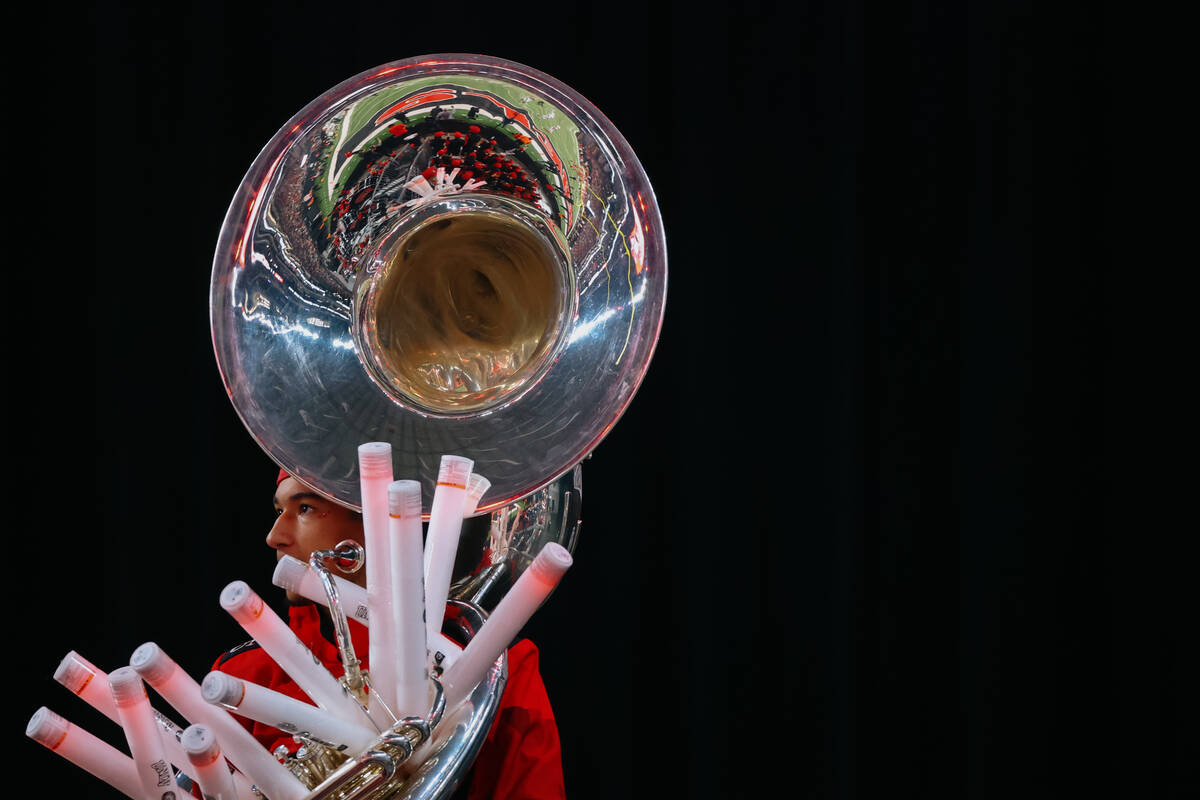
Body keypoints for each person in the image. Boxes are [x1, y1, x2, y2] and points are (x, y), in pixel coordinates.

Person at [212, 468, 566, 800]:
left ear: (374, 524)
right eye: (279, 510)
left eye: (305, 508)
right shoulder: (244, 674)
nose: (275, 536)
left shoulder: (494, 665)